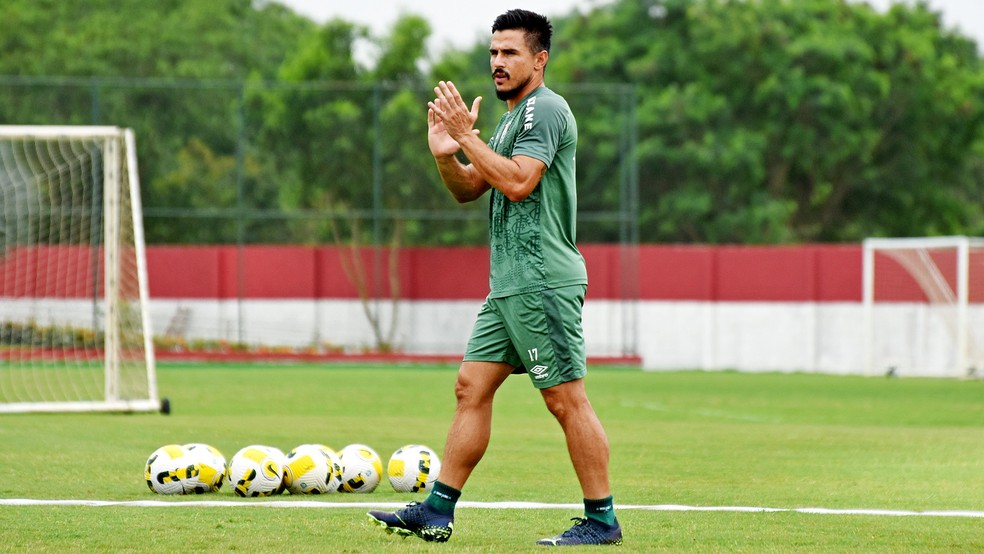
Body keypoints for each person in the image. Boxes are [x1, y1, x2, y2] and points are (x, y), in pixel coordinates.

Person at [367, 9, 622, 547]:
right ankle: (437, 511)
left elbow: (519, 183)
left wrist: (467, 136)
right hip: (507, 284)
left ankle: (602, 521)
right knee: (470, 388)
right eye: (493, 52)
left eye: (509, 53)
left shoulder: (546, 111)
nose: (497, 63)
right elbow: (469, 186)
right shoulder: (509, 120)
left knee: (565, 400)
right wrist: (447, 153)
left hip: (542, 281)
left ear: (540, 58)